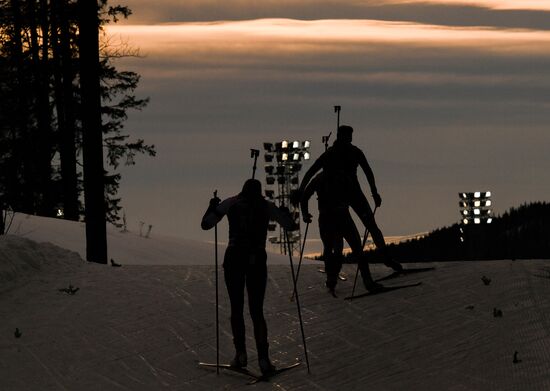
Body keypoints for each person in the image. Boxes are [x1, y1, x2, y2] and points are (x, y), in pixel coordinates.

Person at [201, 179, 295, 375]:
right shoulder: (265, 205)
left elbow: (206, 224)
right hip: (256, 259)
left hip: (234, 257)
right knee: (256, 309)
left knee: (237, 307)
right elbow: (289, 226)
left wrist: (211, 206)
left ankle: (241, 354)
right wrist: (285, 212)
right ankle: (263, 359)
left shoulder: (231, 202)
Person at [294, 125, 402, 272]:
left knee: (369, 226)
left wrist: (374, 192)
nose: (349, 138)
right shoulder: (338, 153)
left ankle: (386, 259)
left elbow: (367, 171)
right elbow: (311, 172)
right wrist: (374, 192)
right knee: (354, 230)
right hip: (344, 197)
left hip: (352, 194)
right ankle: (339, 269)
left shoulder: (349, 152)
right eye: (347, 136)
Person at [300, 171, 383, 296]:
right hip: (342, 216)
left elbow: (305, 196)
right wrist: (365, 213)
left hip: (326, 217)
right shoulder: (344, 176)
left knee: (330, 248)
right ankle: (367, 281)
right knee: (355, 248)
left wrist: (305, 214)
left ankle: (331, 279)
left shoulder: (319, 178)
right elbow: (355, 197)